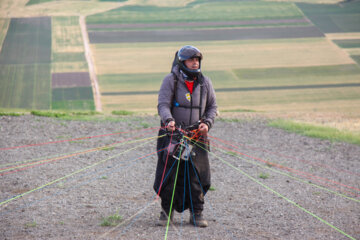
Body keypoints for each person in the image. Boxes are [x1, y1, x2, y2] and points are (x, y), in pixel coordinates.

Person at [153, 45, 217, 228]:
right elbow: (163, 104)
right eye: (191, 59)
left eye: (197, 60)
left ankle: (197, 213)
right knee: (170, 174)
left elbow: (212, 106)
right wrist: (168, 120)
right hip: (173, 135)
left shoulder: (205, 82)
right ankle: (166, 211)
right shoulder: (170, 80)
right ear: (182, 62)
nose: (195, 62)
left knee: (197, 176)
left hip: (197, 137)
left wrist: (207, 123)